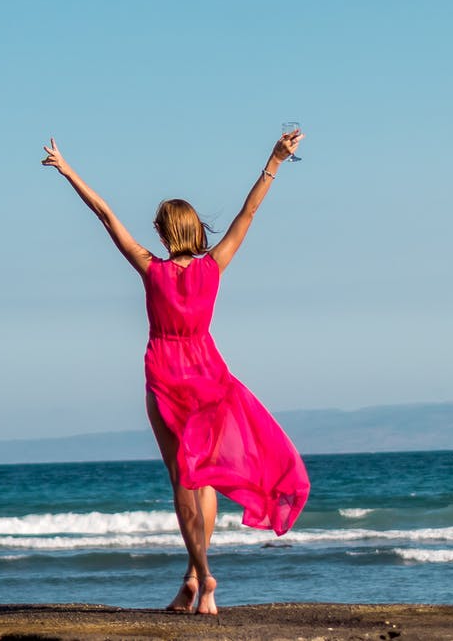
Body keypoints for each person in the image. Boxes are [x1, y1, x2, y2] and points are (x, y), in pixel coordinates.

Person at [41, 130, 311, 615]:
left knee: (181, 480)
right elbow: (248, 214)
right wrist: (274, 159)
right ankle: (192, 579)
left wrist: (67, 171)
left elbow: (105, 215)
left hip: (165, 376)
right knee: (202, 478)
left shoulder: (150, 267)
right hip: (209, 377)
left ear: (166, 232)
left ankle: (205, 577)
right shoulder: (214, 266)